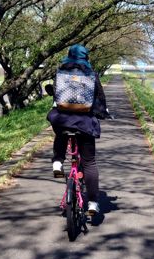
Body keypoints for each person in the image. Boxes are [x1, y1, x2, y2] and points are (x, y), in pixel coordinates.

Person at [46, 44, 108, 215]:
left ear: (69, 56)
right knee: (89, 162)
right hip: (84, 122)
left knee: (61, 132)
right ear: (86, 57)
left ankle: (58, 162)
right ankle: (93, 203)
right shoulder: (92, 74)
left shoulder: (60, 73)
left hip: (62, 119)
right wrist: (102, 112)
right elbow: (100, 98)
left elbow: (56, 95)